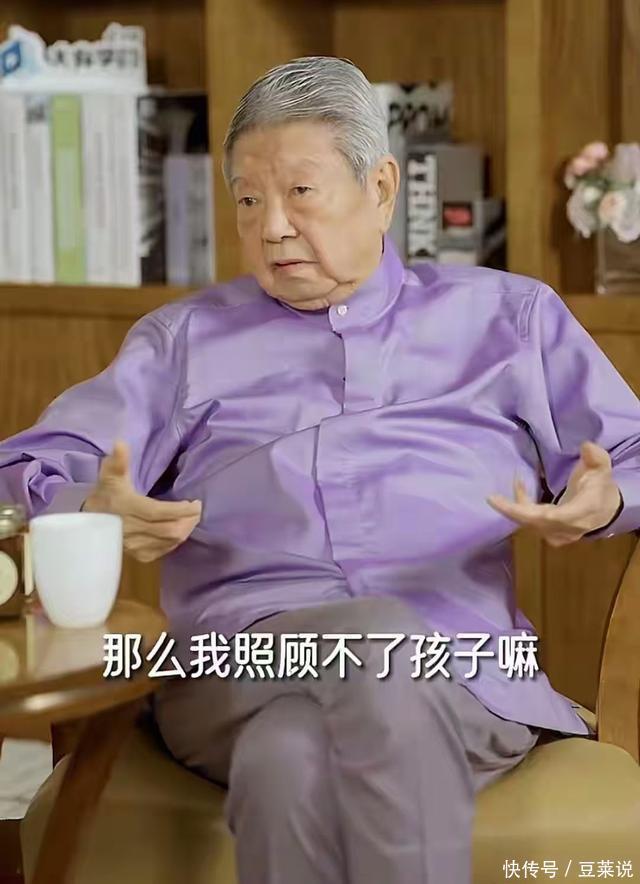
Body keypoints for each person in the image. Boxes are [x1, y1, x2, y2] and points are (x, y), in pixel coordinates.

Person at [0, 56, 638, 883]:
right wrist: (94, 507)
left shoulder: (509, 321)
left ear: (381, 189)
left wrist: (604, 496)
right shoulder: (183, 342)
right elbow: (27, 465)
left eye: (301, 192)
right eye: (248, 201)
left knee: (292, 757)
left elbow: (630, 454)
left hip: (461, 677)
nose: (272, 227)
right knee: (371, 648)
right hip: (236, 670)